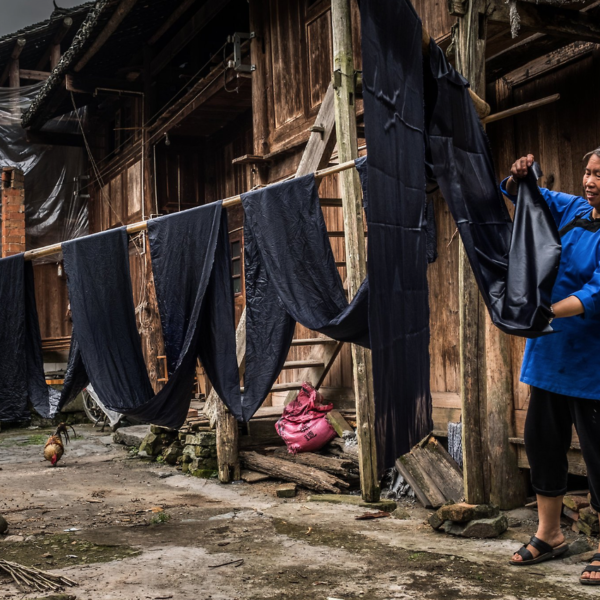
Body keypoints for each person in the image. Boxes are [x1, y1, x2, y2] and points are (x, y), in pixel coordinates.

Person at [500, 152, 600, 585]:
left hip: (592, 364)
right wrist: (520, 176)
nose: (590, 180)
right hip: (550, 357)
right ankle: (550, 533)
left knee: (599, 456)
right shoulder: (576, 209)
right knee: (542, 443)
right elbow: (526, 198)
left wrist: (544, 314)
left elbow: (596, 294)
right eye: (589, 172)